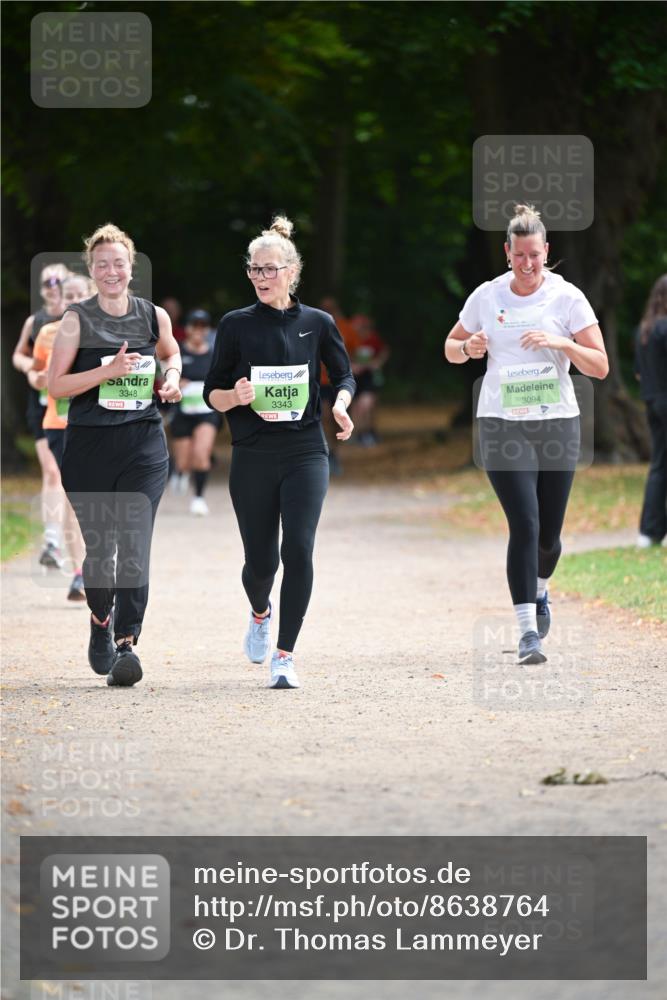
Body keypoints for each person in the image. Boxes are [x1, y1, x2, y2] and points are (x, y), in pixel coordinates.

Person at [445, 204, 608, 664]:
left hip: (556, 423)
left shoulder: (567, 297)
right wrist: (468, 346)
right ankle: (527, 633)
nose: (528, 264)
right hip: (502, 423)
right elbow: (451, 347)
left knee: (548, 538)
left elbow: (600, 365)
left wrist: (562, 342)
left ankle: (540, 590)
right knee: (525, 523)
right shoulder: (487, 296)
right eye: (519, 255)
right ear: (507, 253)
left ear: (546, 251)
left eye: (535, 255)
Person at [204, 216, 355, 689]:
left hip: (306, 449)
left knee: (299, 548)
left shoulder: (318, 323)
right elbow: (211, 393)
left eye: (269, 269)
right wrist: (234, 396)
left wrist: (342, 406)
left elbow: (344, 376)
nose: (261, 277)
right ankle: (259, 612)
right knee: (261, 564)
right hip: (252, 453)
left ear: (291, 271)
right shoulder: (235, 325)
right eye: (254, 269)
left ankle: (285, 655)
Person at [49, 224, 182, 687]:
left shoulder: (152, 316)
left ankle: (126, 642)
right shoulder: (76, 320)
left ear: (131, 267)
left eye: (119, 263)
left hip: (143, 444)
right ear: (92, 270)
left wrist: (172, 378)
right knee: (102, 550)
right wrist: (107, 371)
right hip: (89, 446)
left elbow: (171, 354)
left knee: (135, 544)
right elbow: (56, 385)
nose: (111, 271)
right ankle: (100, 618)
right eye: (102, 264)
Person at [30, 273, 95, 601]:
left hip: (98, 425)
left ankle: (100, 561)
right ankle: (80, 573)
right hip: (59, 424)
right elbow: (35, 373)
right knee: (73, 497)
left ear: (90, 295)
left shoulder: (106, 333)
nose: (73, 300)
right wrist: (40, 378)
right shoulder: (47, 334)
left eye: (79, 295)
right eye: (68, 296)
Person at [12, 262, 68, 568]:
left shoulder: (82, 319)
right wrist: (30, 372)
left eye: (58, 281)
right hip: (44, 406)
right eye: (47, 282)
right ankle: (52, 542)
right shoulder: (35, 323)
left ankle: (82, 543)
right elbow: (19, 355)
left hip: (75, 407)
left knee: (75, 476)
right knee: (52, 472)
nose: (52, 287)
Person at [169, 308, 222, 515]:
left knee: (201, 454)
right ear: (188, 328)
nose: (199, 330)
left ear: (208, 329)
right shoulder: (178, 353)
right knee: (184, 461)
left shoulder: (214, 354)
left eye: (203, 326)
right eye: (195, 325)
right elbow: (164, 378)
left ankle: (199, 498)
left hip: (206, 412)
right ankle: (180, 471)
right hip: (182, 412)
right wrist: (176, 382)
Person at [634, 274, 667, 547]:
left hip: (651, 402)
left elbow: (638, 373)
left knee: (659, 465)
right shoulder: (665, 329)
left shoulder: (644, 330)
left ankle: (649, 531)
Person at [318, 296, 359, 475]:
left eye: (330, 307)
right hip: (320, 381)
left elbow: (356, 350)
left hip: (340, 381)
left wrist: (351, 366)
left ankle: (334, 452)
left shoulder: (346, 327)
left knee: (337, 420)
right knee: (326, 415)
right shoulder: (315, 324)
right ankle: (329, 452)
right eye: (324, 307)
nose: (327, 310)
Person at [349, 313, 390, 445]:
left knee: (366, 404)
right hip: (355, 377)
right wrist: (351, 365)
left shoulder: (373, 339)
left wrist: (376, 363)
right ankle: (357, 433)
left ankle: (367, 432)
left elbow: (384, 351)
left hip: (369, 377)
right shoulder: (350, 340)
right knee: (356, 407)